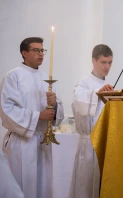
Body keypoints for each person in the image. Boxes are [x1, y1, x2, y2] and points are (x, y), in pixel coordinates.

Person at [0, 37, 64, 198]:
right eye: (36, 50)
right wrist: (38, 116)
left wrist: (54, 106)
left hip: (42, 142)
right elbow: (7, 110)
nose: (41, 54)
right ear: (24, 53)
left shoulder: (47, 78)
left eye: (42, 50)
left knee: (43, 187)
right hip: (22, 142)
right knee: (22, 187)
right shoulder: (13, 76)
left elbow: (58, 113)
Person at [69, 44, 114, 198]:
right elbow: (78, 102)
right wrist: (97, 93)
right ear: (94, 61)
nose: (107, 67)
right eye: (103, 62)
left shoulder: (110, 86)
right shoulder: (84, 83)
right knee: (85, 186)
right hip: (89, 144)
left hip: (106, 144)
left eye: (110, 63)